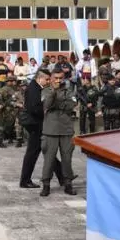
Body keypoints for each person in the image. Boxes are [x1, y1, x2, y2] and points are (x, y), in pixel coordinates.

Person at [18, 68, 63, 188]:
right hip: (35, 125)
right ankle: (25, 180)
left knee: (47, 150)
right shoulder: (33, 89)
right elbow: (34, 108)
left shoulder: (38, 87)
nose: (49, 81)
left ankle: (62, 176)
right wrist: (47, 110)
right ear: (40, 78)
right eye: (47, 79)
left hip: (38, 124)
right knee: (34, 153)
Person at [40, 69, 77, 197]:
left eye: (61, 78)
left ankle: (68, 184)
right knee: (49, 160)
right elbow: (47, 105)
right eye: (55, 78)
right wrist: (55, 93)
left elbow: (71, 104)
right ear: (50, 78)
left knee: (67, 159)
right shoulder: (46, 90)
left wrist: (59, 103)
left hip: (66, 129)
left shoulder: (69, 90)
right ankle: (46, 185)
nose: (58, 80)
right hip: (50, 130)